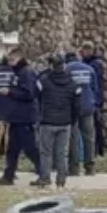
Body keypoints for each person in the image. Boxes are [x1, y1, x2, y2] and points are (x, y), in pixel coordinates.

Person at [0, 47, 41, 186]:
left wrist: (10, 92)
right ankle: (8, 176)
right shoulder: (16, 72)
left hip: (25, 116)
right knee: (12, 149)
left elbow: (29, 94)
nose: (10, 62)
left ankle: (43, 173)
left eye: (12, 59)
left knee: (30, 148)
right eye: (9, 59)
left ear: (20, 58)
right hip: (15, 116)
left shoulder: (26, 72)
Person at [37, 54, 82, 189]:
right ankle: (61, 179)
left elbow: (37, 97)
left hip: (47, 121)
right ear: (64, 66)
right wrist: (72, 120)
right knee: (62, 153)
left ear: (51, 66)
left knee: (46, 152)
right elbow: (77, 106)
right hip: (65, 122)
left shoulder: (44, 81)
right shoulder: (72, 83)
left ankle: (45, 178)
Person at [64, 52, 98, 176]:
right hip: (88, 106)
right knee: (89, 137)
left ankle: (74, 168)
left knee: (73, 137)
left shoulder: (66, 69)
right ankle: (90, 167)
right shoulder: (90, 69)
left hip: (72, 107)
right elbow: (95, 88)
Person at [79, 43, 107, 157]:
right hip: (91, 100)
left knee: (95, 126)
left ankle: (98, 150)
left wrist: (97, 101)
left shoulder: (96, 64)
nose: (84, 52)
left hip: (94, 100)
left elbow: (98, 85)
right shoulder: (86, 63)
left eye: (87, 50)